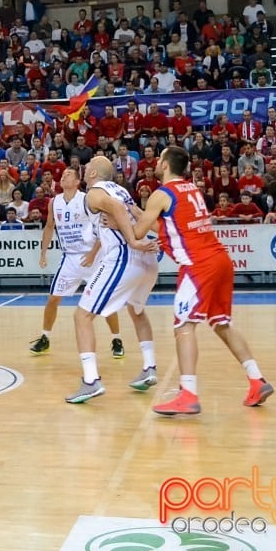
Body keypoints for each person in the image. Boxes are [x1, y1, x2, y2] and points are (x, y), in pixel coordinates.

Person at [130, 147, 274, 415]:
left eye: (159, 159)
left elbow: (138, 233)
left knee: (183, 327)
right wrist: (139, 213)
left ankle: (188, 394)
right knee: (222, 324)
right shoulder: (191, 189)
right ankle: (257, 379)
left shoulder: (161, 194)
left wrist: (120, 220)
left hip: (198, 265)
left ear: (163, 164)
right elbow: (169, 229)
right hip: (220, 259)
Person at [66, 156, 160, 404]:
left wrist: (131, 239)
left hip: (124, 257)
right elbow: (142, 214)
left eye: (86, 168)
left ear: (95, 173)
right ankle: (150, 366)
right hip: (147, 261)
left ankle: (90, 380)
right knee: (137, 311)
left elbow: (117, 210)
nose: (83, 171)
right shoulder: (121, 190)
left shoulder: (94, 193)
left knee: (82, 316)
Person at [31, 168, 124, 357]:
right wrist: (43, 252)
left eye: (69, 174)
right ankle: (44, 337)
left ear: (77, 181)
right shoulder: (54, 202)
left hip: (93, 257)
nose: (64, 176)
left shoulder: (87, 199)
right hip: (70, 258)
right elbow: (49, 227)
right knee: (52, 299)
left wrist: (93, 253)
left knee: (105, 303)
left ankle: (117, 339)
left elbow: (103, 226)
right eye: (63, 174)